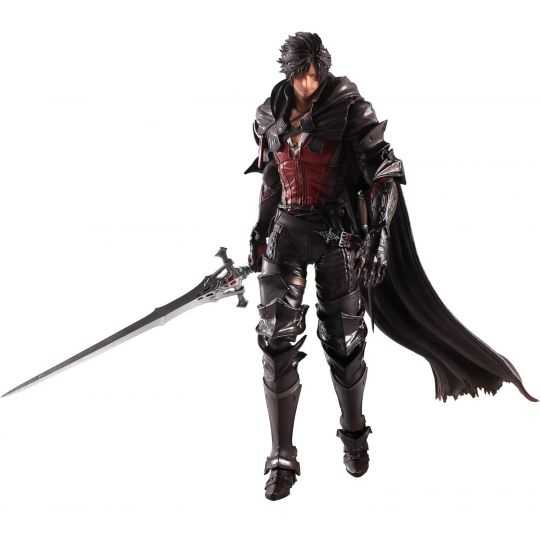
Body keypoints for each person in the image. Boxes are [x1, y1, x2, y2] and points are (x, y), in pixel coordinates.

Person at [245, 32, 536, 501]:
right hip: (287, 233)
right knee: (276, 341)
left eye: (316, 72)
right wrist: (260, 230)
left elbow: (384, 173)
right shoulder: (268, 113)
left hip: (337, 232)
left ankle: (354, 434)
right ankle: (282, 457)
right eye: (302, 73)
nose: (310, 82)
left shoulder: (348, 108)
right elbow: (271, 176)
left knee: (344, 342)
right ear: (289, 72)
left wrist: (378, 238)